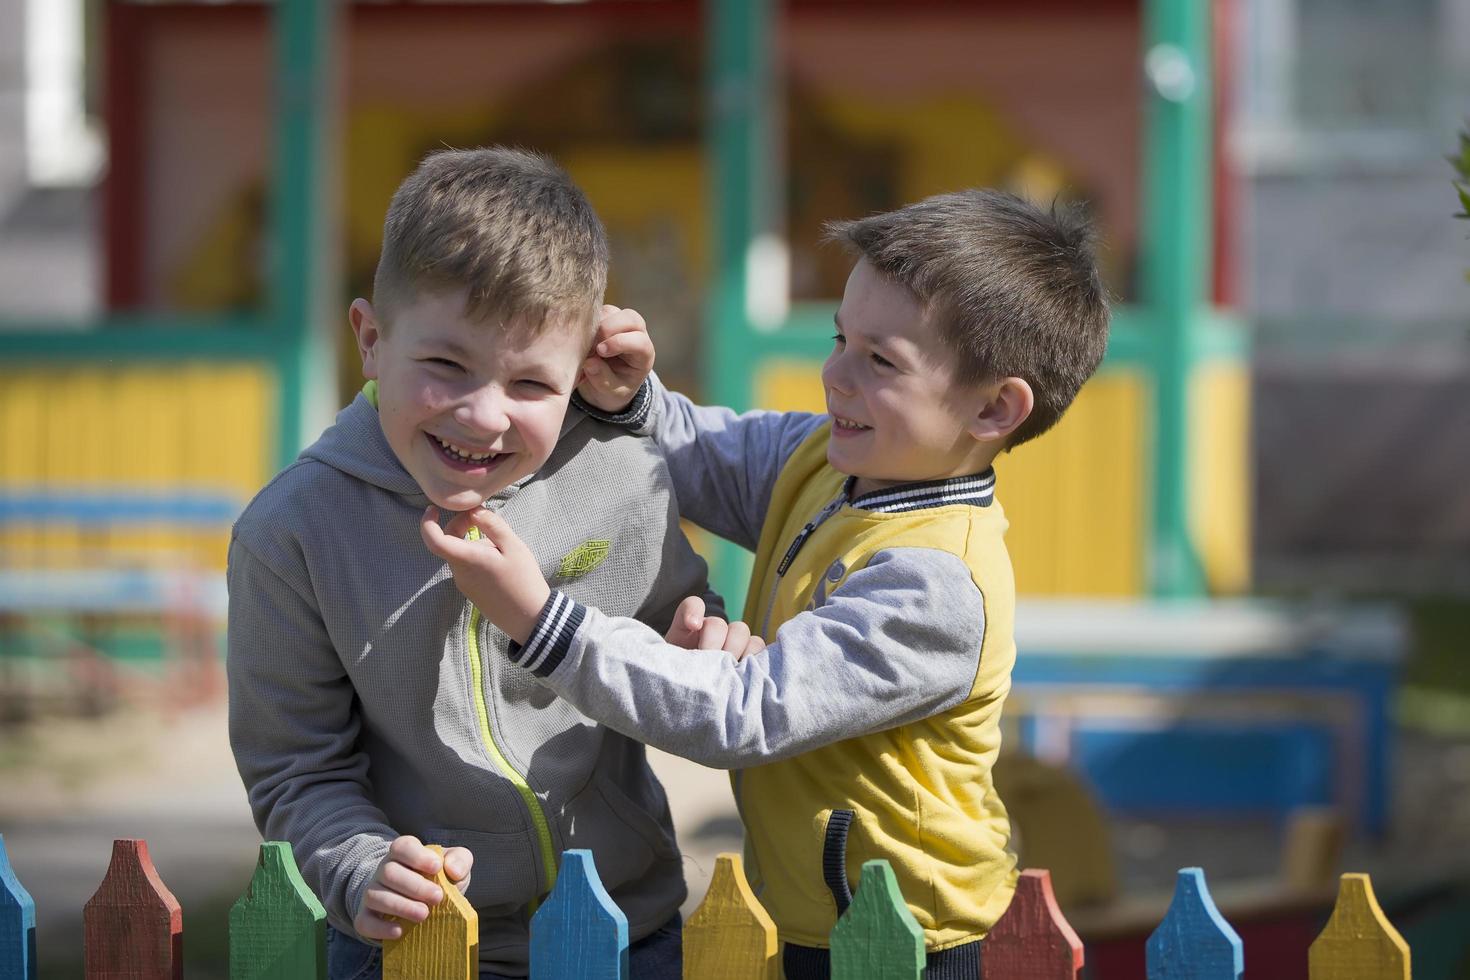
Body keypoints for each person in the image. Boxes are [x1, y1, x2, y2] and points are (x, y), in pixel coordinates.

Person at [421, 189, 1111, 979]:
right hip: (815, 921)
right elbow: (700, 452)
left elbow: (742, 712)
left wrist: (541, 620)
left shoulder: (936, 585)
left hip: (916, 941)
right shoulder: (828, 461)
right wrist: (630, 396)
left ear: (995, 408)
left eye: (880, 360)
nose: (835, 374)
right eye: (839, 337)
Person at [227, 146, 745, 980]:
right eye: (445, 366)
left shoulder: (622, 473)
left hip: (626, 929)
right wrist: (361, 865)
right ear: (369, 338)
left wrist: (700, 651)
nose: (482, 415)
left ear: (580, 373)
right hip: (412, 945)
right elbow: (295, 767)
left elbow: (677, 643)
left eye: (531, 384)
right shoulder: (291, 533)